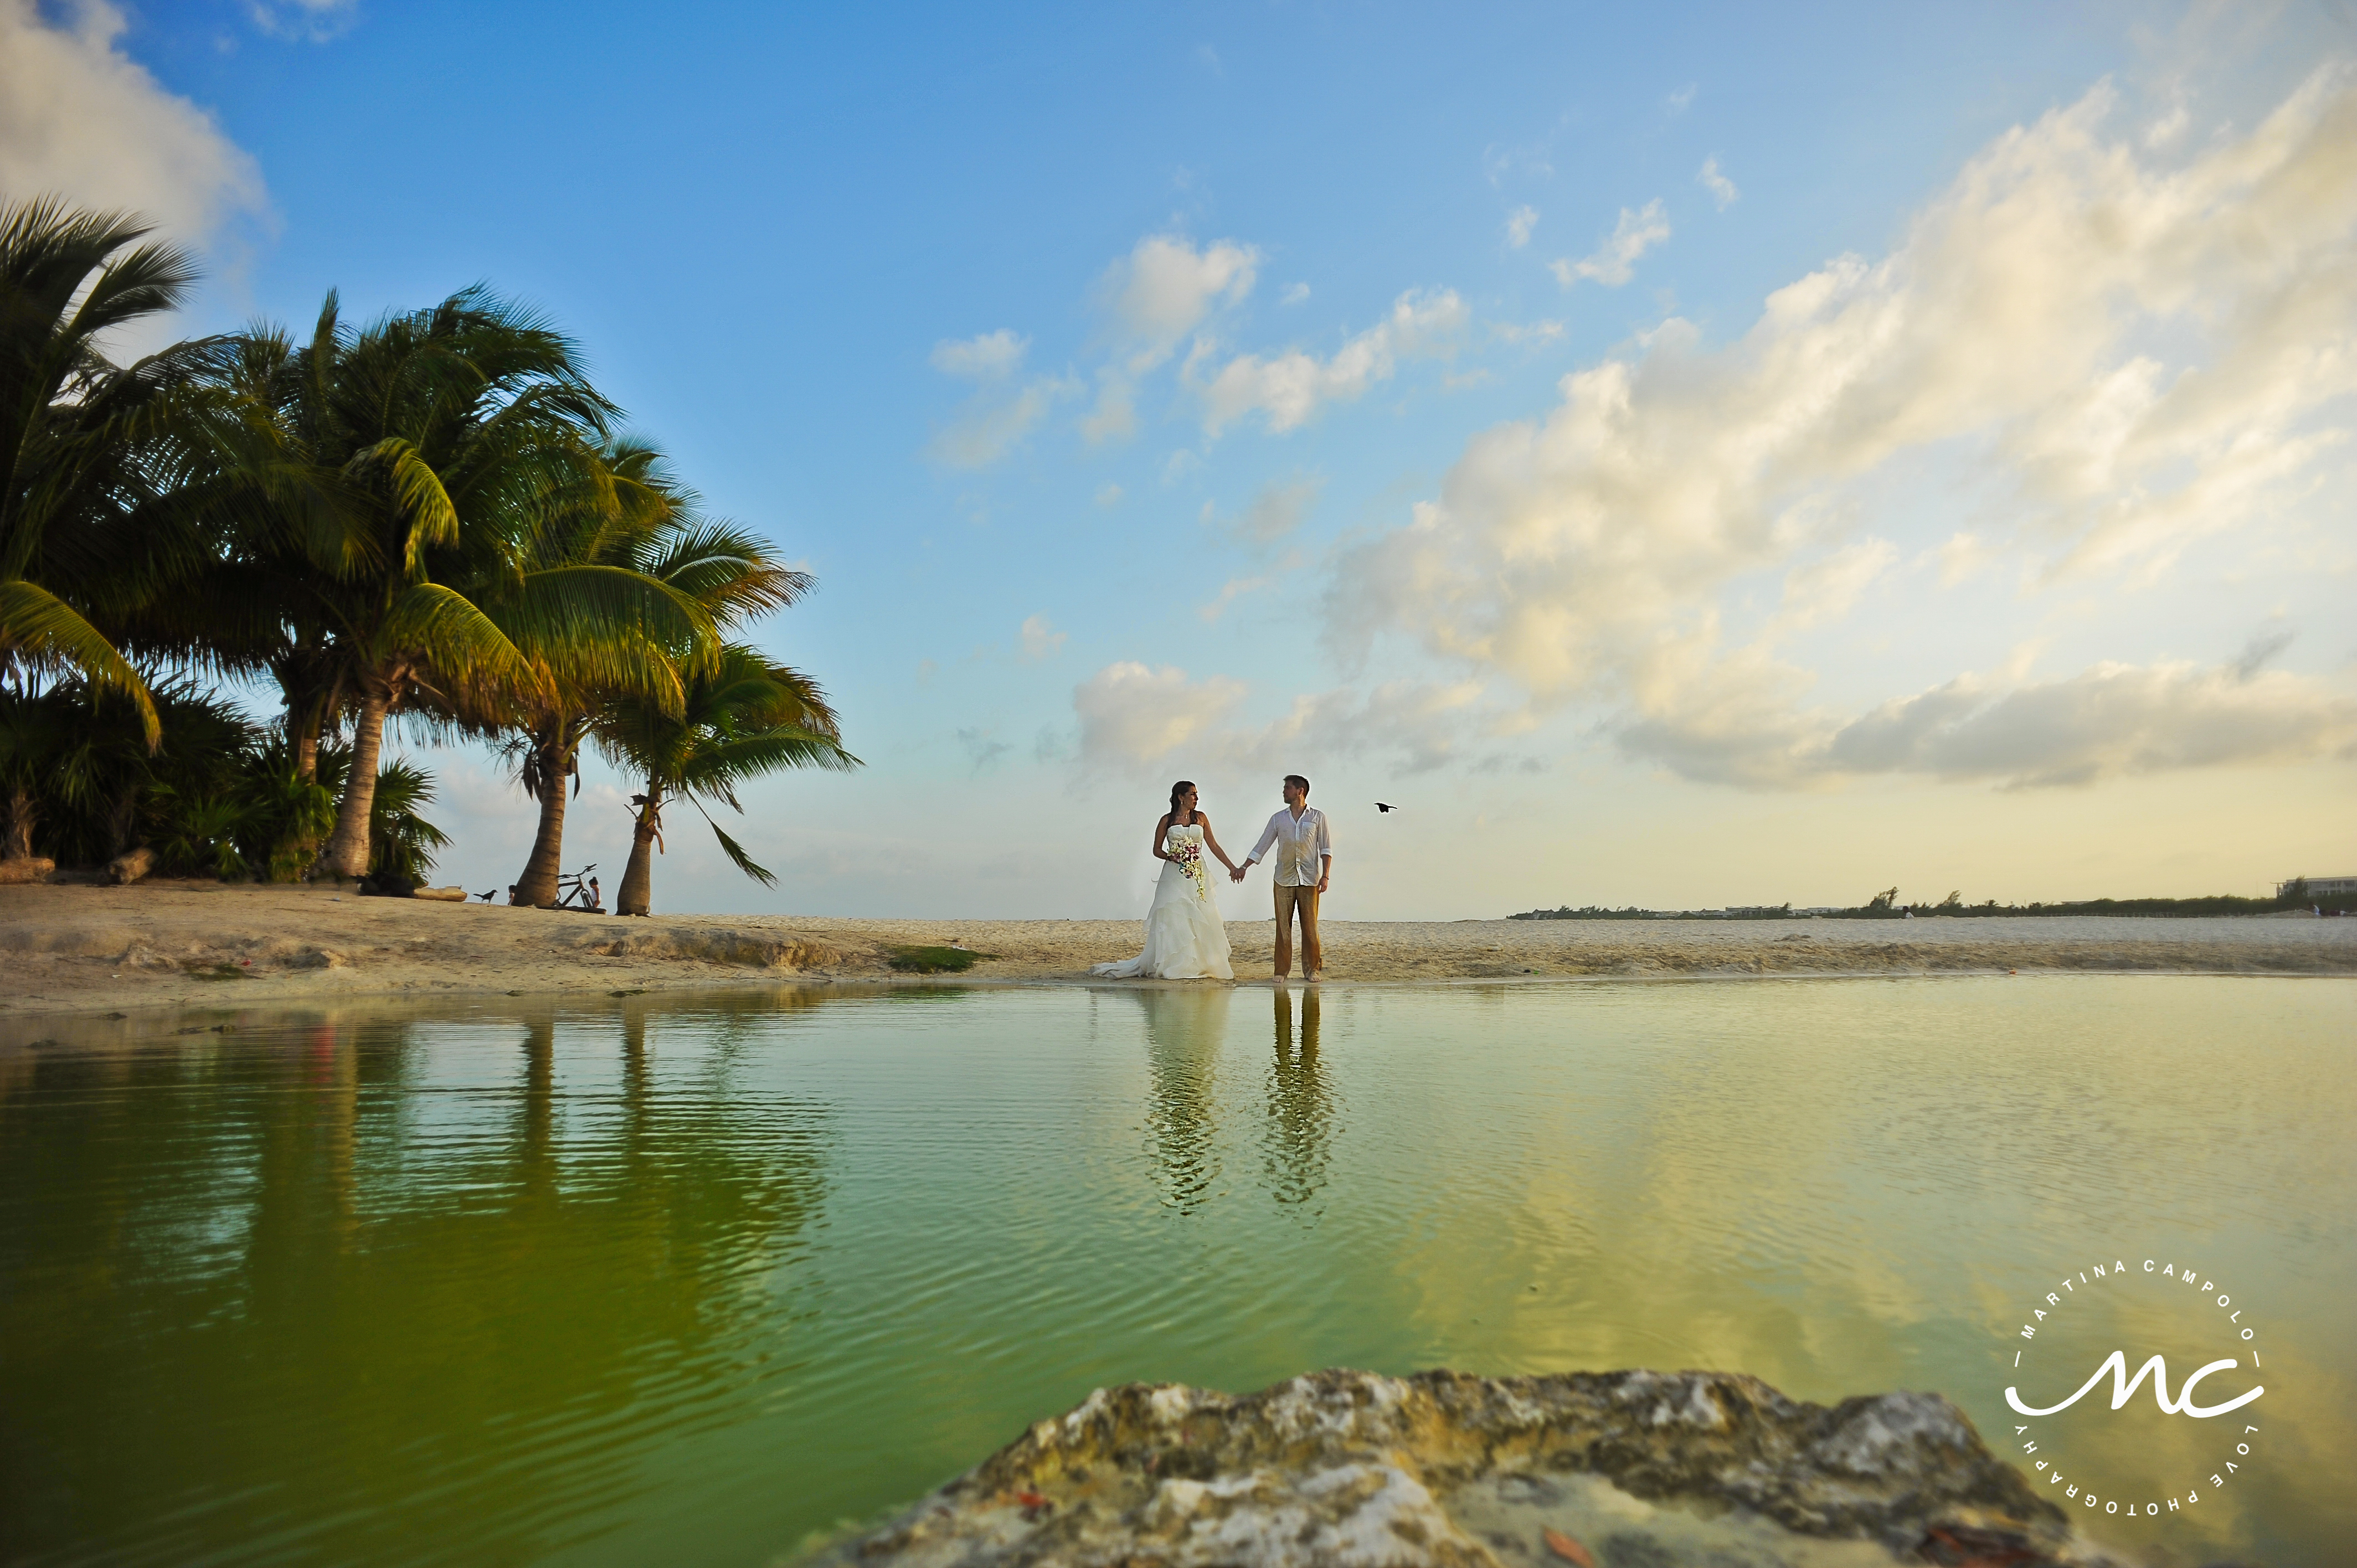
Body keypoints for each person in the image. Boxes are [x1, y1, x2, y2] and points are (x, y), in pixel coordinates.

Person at [1090, 780, 1242, 979]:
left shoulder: (1201, 818)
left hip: (1197, 874)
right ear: (1181, 797)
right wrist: (1171, 857)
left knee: (1202, 915)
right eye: (1193, 794)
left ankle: (1201, 962)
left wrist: (1232, 868)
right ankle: (1174, 963)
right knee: (1174, 915)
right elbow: (1157, 850)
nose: (1196, 798)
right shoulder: (1167, 820)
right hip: (1174, 874)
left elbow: (1213, 845)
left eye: (1197, 795)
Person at [1232, 773, 1331, 981]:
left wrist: (1326, 876)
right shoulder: (1278, 818)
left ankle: (1312, 969)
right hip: (1283, 880)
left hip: (1310, 879)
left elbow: (1326, 848)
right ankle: (1281, 971)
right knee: (1283, 928)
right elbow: (1263, 845)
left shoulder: (1318, 817)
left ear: (1299, 791)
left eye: (1287, 788)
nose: (1284, 791)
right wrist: (1244, 867)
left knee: (1310, 927)